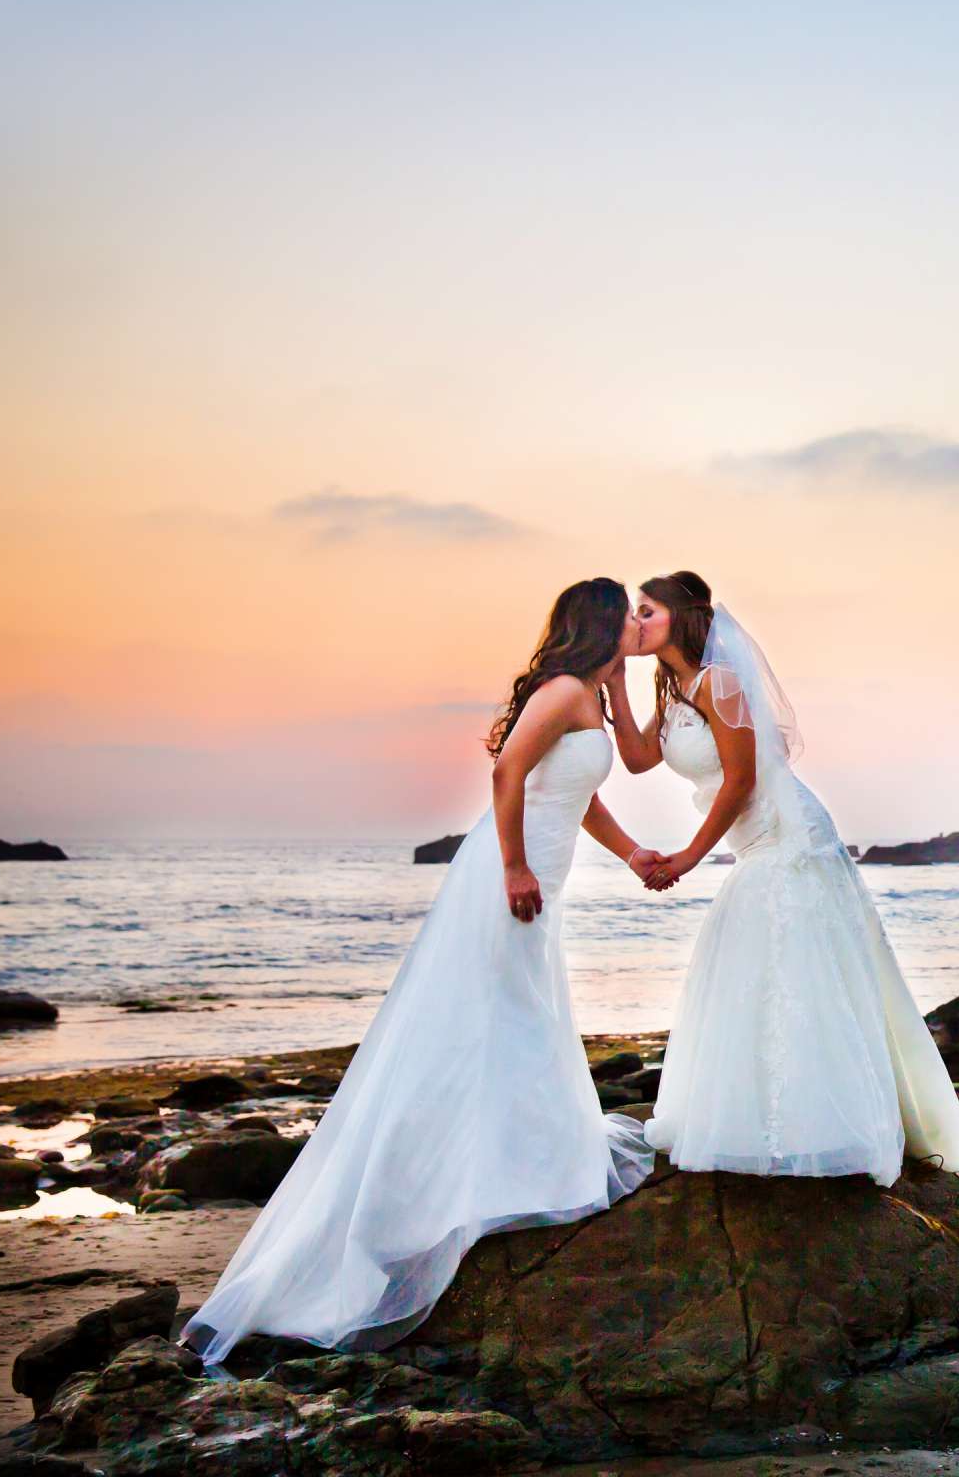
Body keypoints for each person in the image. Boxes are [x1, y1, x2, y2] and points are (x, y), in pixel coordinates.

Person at [182, 578, 659, 1366]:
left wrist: (633, 848)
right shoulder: (565, 689)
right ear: (603, 623)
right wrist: (512, 866)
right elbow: (508, 774)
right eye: (628, 619)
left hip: (540, 869)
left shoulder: (594, 695)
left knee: (521, 1013)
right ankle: (444, 1190)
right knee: (493, 1017)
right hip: (510, 874)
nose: (638, 629)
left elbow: (576, 795)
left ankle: (508, 1159)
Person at [608, 571, 959, 1185]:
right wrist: (618, 684)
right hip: (755, 843)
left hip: (787, 836)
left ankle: (824, 1128)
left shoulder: (718, 681)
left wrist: (690, 856)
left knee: (800, 968)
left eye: (646, 612)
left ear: (679, 615)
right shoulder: (675, 687)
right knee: (758, 967)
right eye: (634, 614)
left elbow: (742, 778)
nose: (636, 623)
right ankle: (766, 1122)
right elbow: (639, 758)